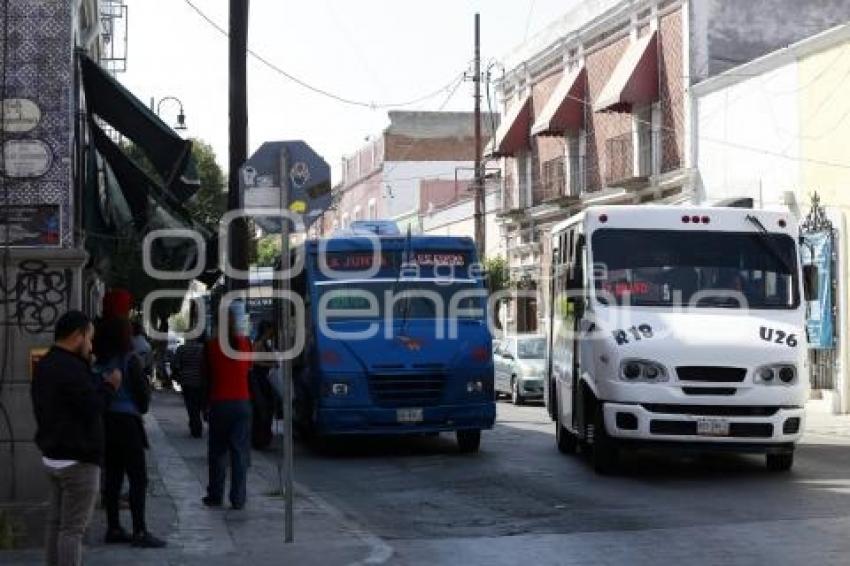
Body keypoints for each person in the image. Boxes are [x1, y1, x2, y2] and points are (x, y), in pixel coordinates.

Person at [31, 311, 121, 566]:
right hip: (77, 460)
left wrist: (88, 370)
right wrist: (110, 386)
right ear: (77, 336)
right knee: (72, 531)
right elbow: (92, 406)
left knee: (56, 524)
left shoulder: (47, 363)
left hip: (53, 455)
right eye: (89, 339)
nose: (91, 345)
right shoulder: (71, 369)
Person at [93, 317, 165, 548]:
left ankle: (113, 527)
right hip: (127, 423)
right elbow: (143, 399)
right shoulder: (129, 360)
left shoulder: (99, 361)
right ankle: (140, 530)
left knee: (113, 476)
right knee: (137, 477)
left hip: (106, 422)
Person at [202, 308, 253, 510]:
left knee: (217, 453)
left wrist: (204, 405)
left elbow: (207, 377)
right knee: (239, 453)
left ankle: (215, 495)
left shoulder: (211, 346)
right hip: (242, 403)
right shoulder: (245, 344)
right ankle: (238, 498)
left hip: (219, 403)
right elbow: (248, 369)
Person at [173, 308, 207, 438]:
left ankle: (195, 424)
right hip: (201, 381)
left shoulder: (182, 349)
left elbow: (176, 364)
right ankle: (197, 423)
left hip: (187, 381)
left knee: (191, 405)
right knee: (199, 404)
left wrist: (178, 376)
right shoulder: (204, 349)